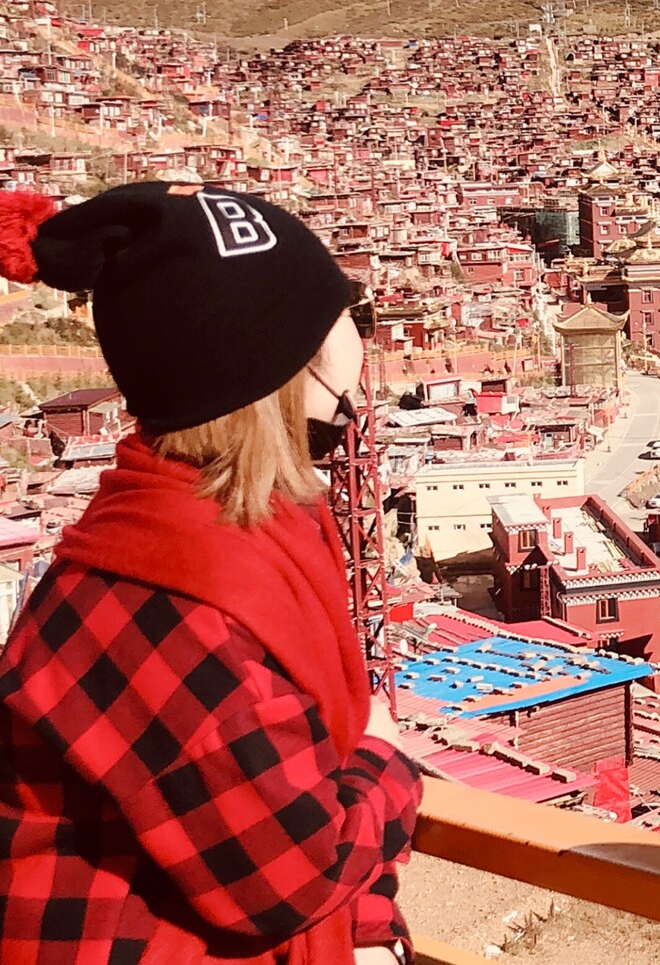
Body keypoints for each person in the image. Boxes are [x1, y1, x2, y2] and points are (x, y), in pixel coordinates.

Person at [0, 183, 421, 964]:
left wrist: (369, 932)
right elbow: (293, 878)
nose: (360, 344)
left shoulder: (200, 533)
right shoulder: (162, 597)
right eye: (346, 317)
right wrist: (387, 759)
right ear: (287, 369)